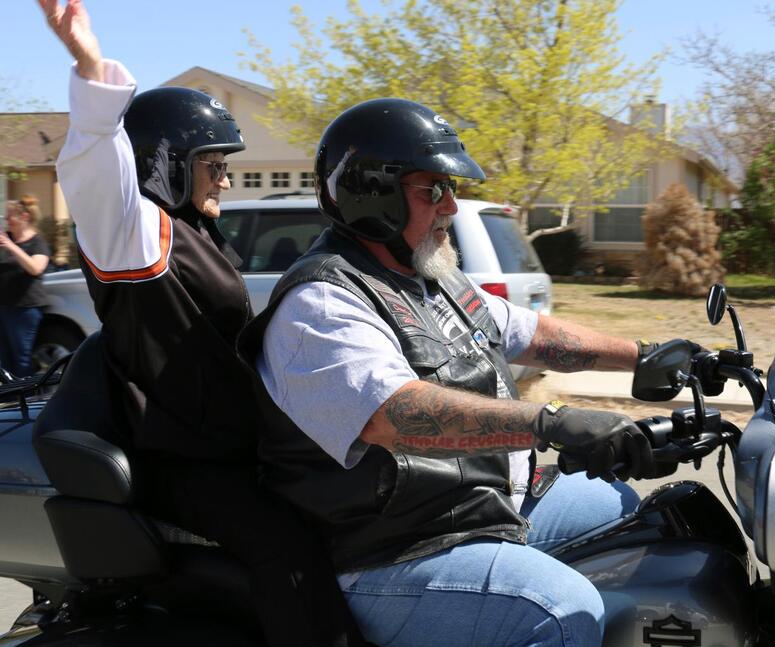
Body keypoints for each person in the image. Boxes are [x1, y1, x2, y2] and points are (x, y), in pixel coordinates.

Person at [240, 98, 684, 646]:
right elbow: (395, 415)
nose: (451, 205)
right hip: (395, 548)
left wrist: (647, 355)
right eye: (433, 189)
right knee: (564, 611)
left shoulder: (429, 275)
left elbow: (532, 335)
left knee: (638, 513)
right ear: (371, 194)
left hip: (480, 504)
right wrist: (551, 421)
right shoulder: (323, 304)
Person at [39, 1, 364, 645]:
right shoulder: (133, 234)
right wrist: (88, 65)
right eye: (213, 164)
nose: (224, 175)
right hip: (184, 459)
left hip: (235, 443)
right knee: (287, 550)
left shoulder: (196, 232)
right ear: (168, 162)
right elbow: (97, 172)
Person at [0, 198, 51, 377]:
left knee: (21, 359)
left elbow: (36, 268)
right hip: (4, 306)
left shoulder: (37, 242)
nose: (7, 220)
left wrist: (12, 247)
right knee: (3, 360)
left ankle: (27, 398)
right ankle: (9, 399)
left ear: (24, 216)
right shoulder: (6, 239)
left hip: (25, 309)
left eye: (10, 216)